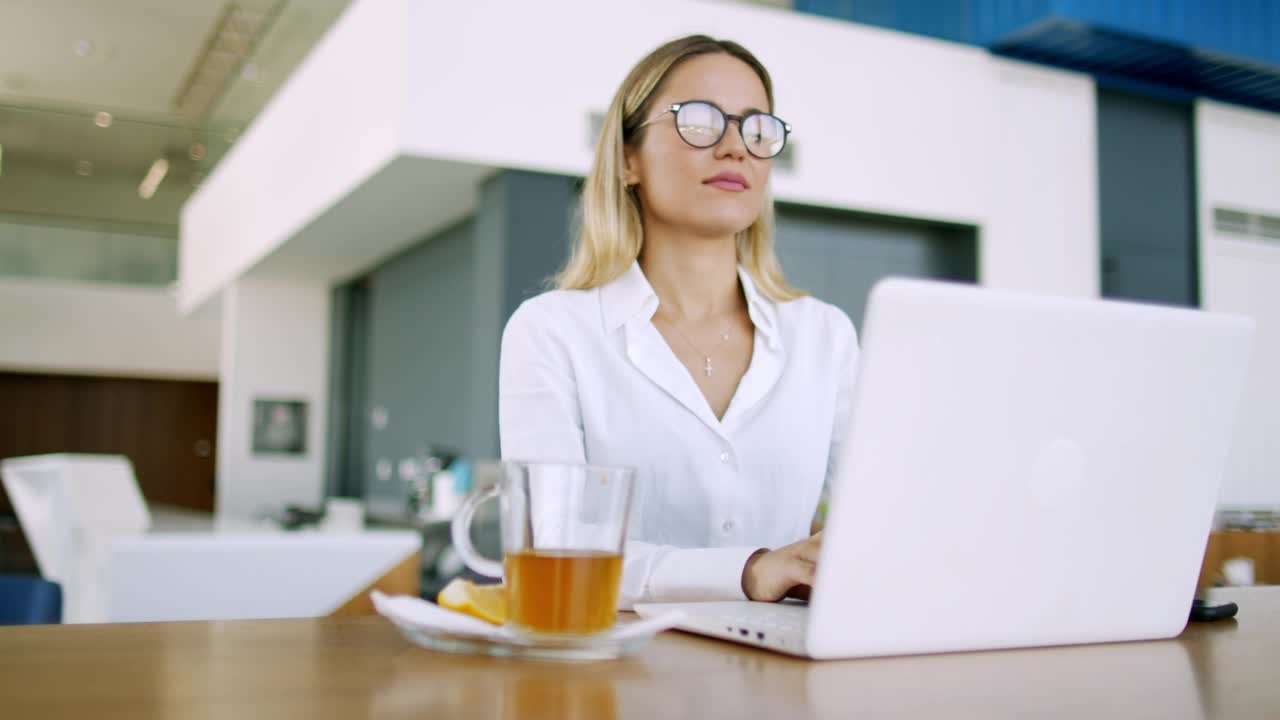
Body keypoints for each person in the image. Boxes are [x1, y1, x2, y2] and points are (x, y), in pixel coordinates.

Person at [498, 35, 858, 608]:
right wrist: (748, 571)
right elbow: (555, 542)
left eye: (756, 129)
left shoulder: (825, 336)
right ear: (626, 158)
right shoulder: (551, 331)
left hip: (780, 677)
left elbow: (875, 518)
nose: (736, 148)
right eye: (700, 121)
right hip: (608, 676)